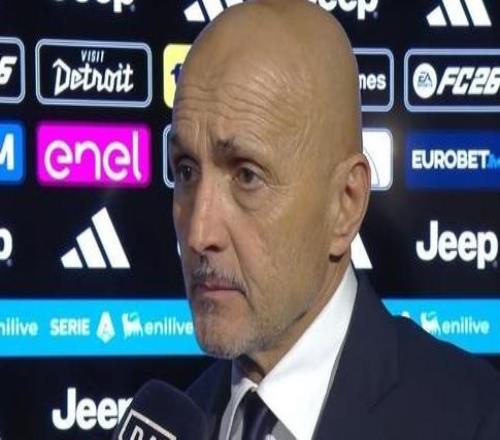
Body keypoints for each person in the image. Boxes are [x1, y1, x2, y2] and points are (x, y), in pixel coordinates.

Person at [167, 0, 500, 438]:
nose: (198, 233)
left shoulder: (476, 420)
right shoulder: (176, 423)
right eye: (186, 171)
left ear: (345, 204)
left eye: (247, 176)